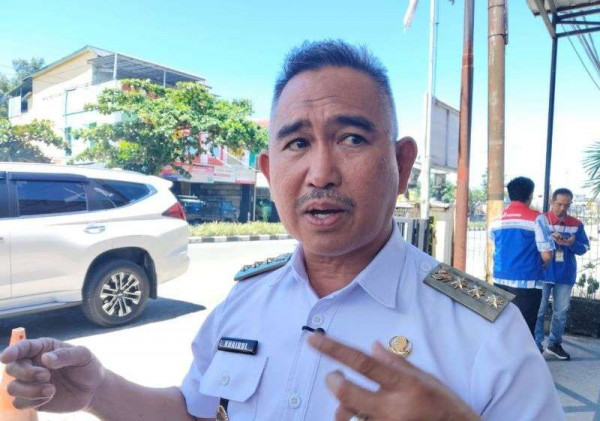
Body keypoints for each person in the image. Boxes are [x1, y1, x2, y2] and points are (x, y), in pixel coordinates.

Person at [1, 40, 564, 421]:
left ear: (402, 165)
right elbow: (196, 413)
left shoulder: (485, 333)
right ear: (270, 174)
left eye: (351, 138)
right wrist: (98, 389)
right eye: (297, 143)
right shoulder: (245, 300)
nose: (320, 173)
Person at [489, 177, 554, 337]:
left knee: (502, 327)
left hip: (500, 280)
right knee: (524, 330)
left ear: (510, 194)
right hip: (527, 282)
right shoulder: (537, 218)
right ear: (530, 195)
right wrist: (545, 262)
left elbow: (496, 243)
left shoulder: (496, 221)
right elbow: (546, 254)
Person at [535, 188, 589, 360]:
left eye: (567, 205)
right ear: (551, 201)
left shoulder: (576, 224)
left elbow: (584, 247)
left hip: (565, 275)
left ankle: (554, 344)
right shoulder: (541, 220)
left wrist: (572, 243)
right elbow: (533, 245)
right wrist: (549, 238)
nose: (562, 208)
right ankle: (536, 345)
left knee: (560, 312)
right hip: (543, 273)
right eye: (559, 204)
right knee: (539, 310)